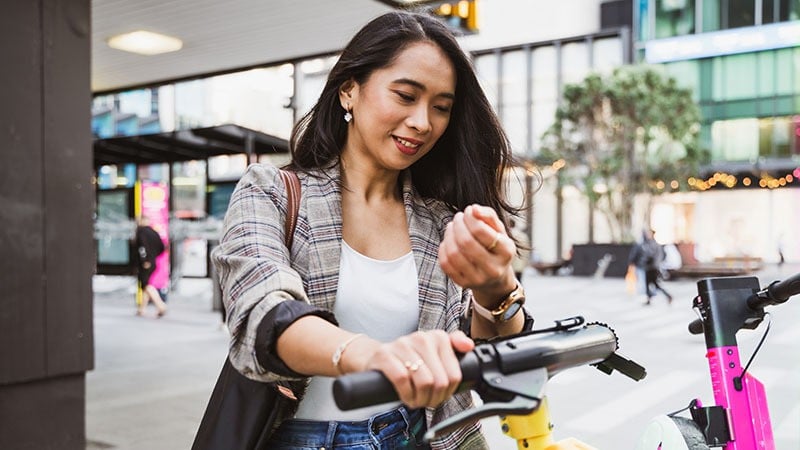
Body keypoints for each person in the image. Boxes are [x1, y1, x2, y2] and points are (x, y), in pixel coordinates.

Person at [211, 11, 533, 450]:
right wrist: (375, 357)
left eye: (441, 107)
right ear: (349, 90)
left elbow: (497, 361)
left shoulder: (442, 220)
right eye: (405, 95)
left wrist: (497, 289)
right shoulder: (272, 193)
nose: (423, 122)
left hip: (419, 436)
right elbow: (262, 316)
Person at [628, 229, 673, 306]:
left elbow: (655, 256)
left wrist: (653, 264)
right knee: (648, 284)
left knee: (654, 284)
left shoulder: (653, 244)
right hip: (648, 267)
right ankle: (649, 299)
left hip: (652, 268)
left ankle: (667, 296)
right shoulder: (648, 243)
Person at [135, 217, 168, 317]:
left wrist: (145, 260)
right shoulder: (154, 232)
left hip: (145, 263)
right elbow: (162, 247)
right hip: (153, 261)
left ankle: (160, 305)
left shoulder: (141, 232)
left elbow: (142, 248)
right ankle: (142, 309)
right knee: (146, 284)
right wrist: (153, 256)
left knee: (146, 284)